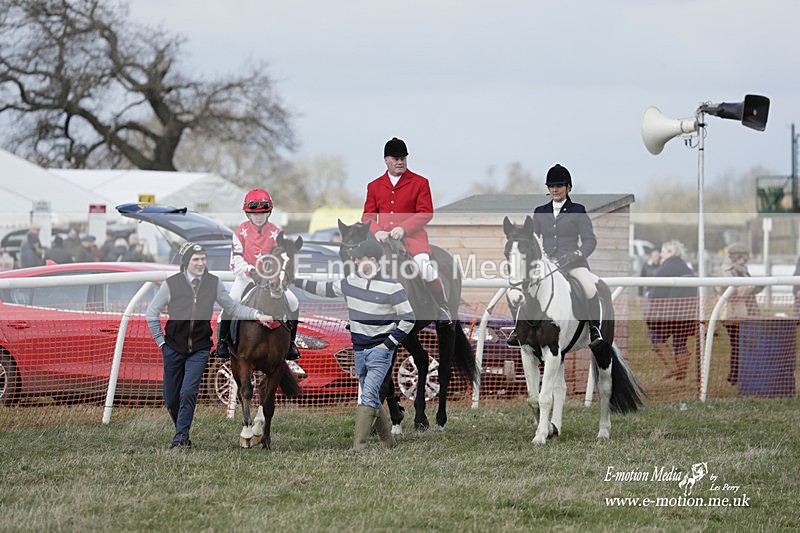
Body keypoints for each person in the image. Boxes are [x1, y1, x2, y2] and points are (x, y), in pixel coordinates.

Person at [145, 242, 276, 449]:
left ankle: (181, 439)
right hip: (172, 348)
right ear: (186, 262)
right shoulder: (171, 284)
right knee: (171, 399)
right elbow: (151, 313)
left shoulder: (213, 283)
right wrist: (161, 342)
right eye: (196, 259)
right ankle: (182, 431)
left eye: (203, 259)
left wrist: (257, 314)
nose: (201, 263)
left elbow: (233, 308)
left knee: (188, 393)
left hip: (200, 349)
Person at [293, 239, 414, 452]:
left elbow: (409, 318)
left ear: (372, 260)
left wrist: (387, 344)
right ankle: (388, 443)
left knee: (367, 396)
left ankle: (358, 448)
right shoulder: (351, 281)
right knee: (372, 395)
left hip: (380, 352)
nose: (356, 262)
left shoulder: (393, 286)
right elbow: (324, 289)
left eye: (360, 258)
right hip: (359, 351)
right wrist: (294, 280)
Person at [361, 137, 452, 324]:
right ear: (386, 160)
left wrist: (404, 228)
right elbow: (367, 217)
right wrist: (377, 231)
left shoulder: (420, 182)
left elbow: (426, 213)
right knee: (364, 268)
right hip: (384, 242)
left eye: (403, 158)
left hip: (413, 240)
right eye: (396, 158)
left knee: (425, 268)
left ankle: (442, 307)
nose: (400, 162)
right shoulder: (374, 186)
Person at [216, 188, 301, 360]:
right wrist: (252, 272)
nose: (259, 217)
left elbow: (283, 257)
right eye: (254, 214)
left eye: (263, 213)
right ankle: (223, 342)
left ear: (269, 212)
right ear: (248, 214)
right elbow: (235, 261)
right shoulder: (240, 232)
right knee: (232, 301)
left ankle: (291, 343)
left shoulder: (277, 233)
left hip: (271, 279)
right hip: (246, 278)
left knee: (293, 302)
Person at [532, 164, 602, 346]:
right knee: (525, 288)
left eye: (559, 186)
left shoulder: (578, 210)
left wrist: (578, 253)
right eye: (551, 186)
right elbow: (533, 239)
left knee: (590, 288)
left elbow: (590, 241)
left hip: (573, 264)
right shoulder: (540, 211)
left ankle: (594, 329)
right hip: (547, 264)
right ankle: (519, 329)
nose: (555, 190)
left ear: (568, 188)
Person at [648, 240, 698, 381]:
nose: (661, 254)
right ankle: (681, 375)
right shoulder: (687, 269)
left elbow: (656, 293)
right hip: (688, 313)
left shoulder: (666, 268)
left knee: (656, 338)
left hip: (669, 313)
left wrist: (652, 304)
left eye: (663, 251)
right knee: (680, 343)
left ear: (672, 252)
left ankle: (672, 368)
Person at [717, 243, 762, 385]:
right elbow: (732, 292)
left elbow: (748, 289)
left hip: (745, 311)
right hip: (732, 313)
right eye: (743, 258)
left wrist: (758, 286)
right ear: (736, 258)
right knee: (737, 344)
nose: (745, 261)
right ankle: (735, 374)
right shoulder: (725, 272)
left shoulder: (742, 270)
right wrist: (751, 287)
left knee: (743, 343)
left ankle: (738, 373)